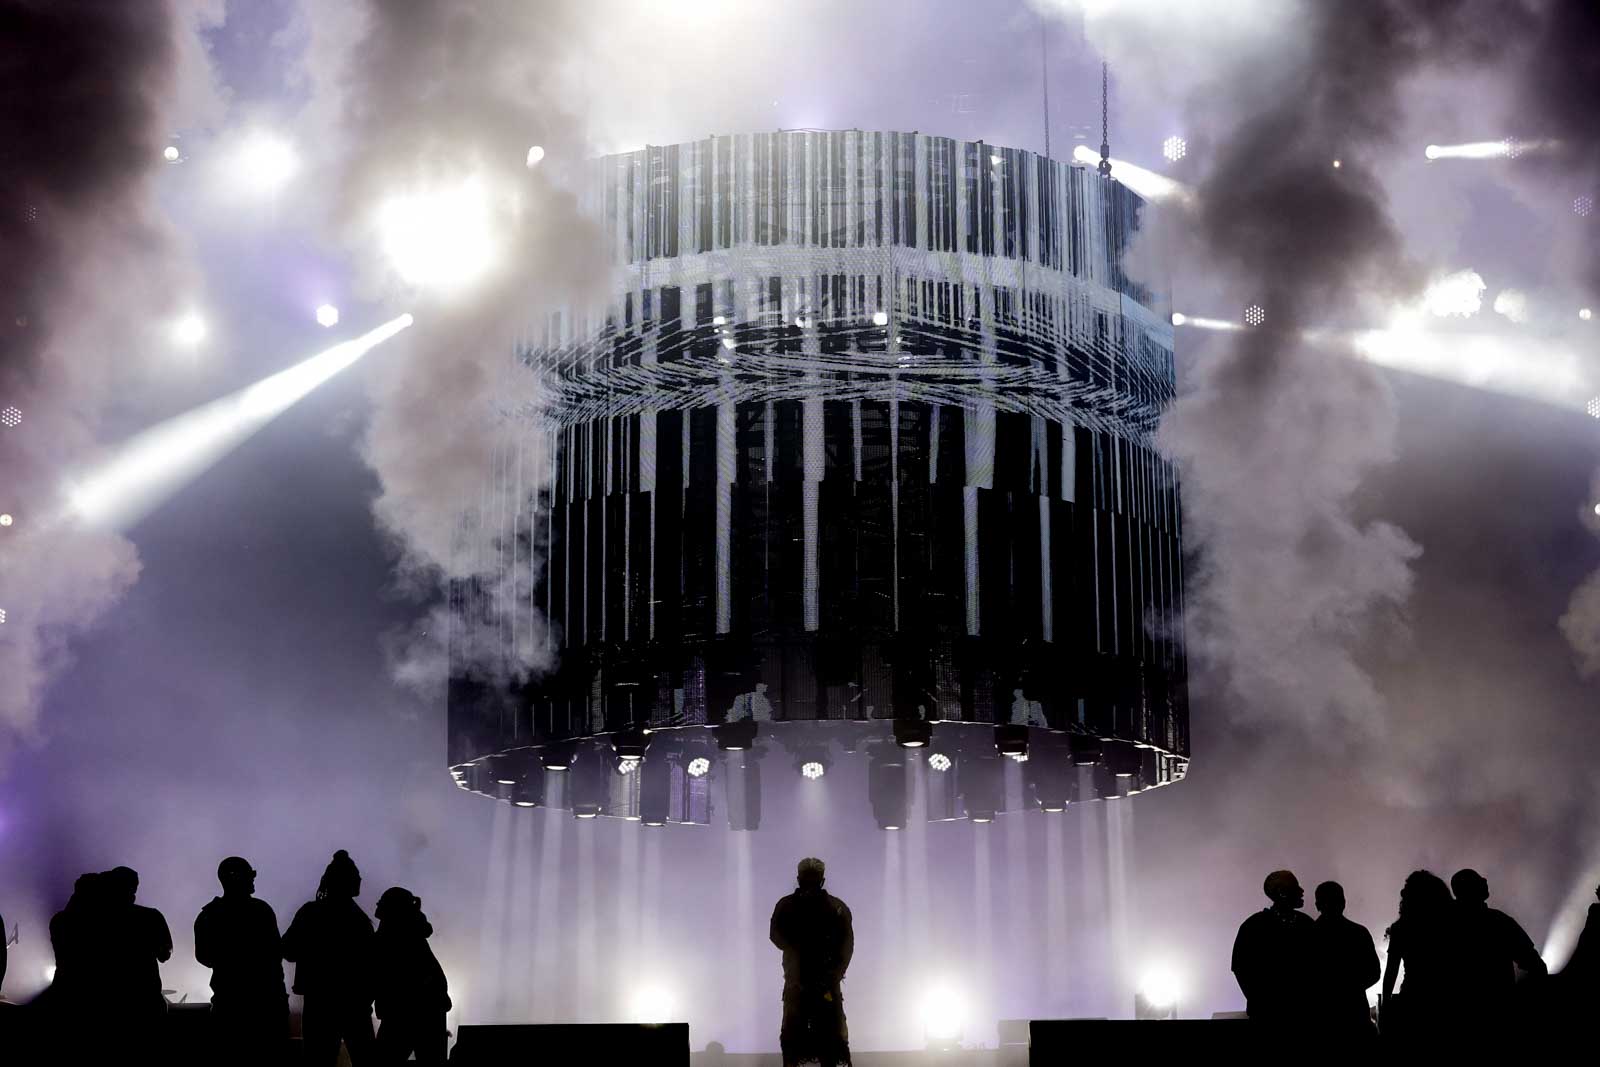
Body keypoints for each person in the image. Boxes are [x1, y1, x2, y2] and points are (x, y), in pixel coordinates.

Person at [283, 850, 375, 1066]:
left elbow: (288, 950)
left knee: (319, 1061)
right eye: (355, 876)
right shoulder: (359, 919)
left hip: (320, 1002)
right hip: (355, 1003)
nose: (360, 880)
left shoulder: (310, 913)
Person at [195, 857, 287, 1065]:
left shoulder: (209, 915)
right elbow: (276, 950)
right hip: (265, 1006)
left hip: (231, 1006)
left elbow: (204, 957)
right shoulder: (261, 910)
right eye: (249, 876)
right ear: (236, 878)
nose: (253, 880)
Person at [770, 857, 854, 1067]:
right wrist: (835, 972)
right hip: (816, 984)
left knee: (798, 1040)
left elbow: (776, 936)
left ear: (798, 878)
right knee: (827, 1040)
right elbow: (847, 946)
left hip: (807, 983)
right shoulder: (836, 907)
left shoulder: (787, 905)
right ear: (822, 880)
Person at [1450, 868, 1546, 1039]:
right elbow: (1535, 965)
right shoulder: (1499, 921)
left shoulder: (1443, 927)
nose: (1485, 881)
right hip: (1499, 1015)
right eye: (1478, 880)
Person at [371, 887, 451, 1066]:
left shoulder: (391, 935)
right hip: (428, 1010)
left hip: (402, 1012)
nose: (378, 907)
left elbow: (382, 974)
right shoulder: (412, 933)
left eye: (382, 904)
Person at [1230, 870, 1314, 1029]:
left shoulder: (1306, 923)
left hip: (1296, 1014)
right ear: (1282, 892)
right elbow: (1241, 968)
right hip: (1271, 1016)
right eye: (1296, 886)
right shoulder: (1253, 926)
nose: (1302, 891)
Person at [101, 866, 173, 1050]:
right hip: (146, 1000)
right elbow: (164, 955)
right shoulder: (151, 916)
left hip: (110, 1002)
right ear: (134, 887)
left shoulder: (97, 921)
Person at [1381, 870, 1456, 1042]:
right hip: (1449, 997)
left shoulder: (1401, 928)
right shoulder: (1453, 923)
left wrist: (1386, 1003)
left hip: (1413, 998)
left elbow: (1391, 971)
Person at [1308, 881, 1379, 1043]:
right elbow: (1374, 972)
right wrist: (1350, 987)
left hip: (1319, 1018)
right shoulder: (1359, 933)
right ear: (1343, 903)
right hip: (1354, 1013)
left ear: (1318, 905)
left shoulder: (1306, 936)